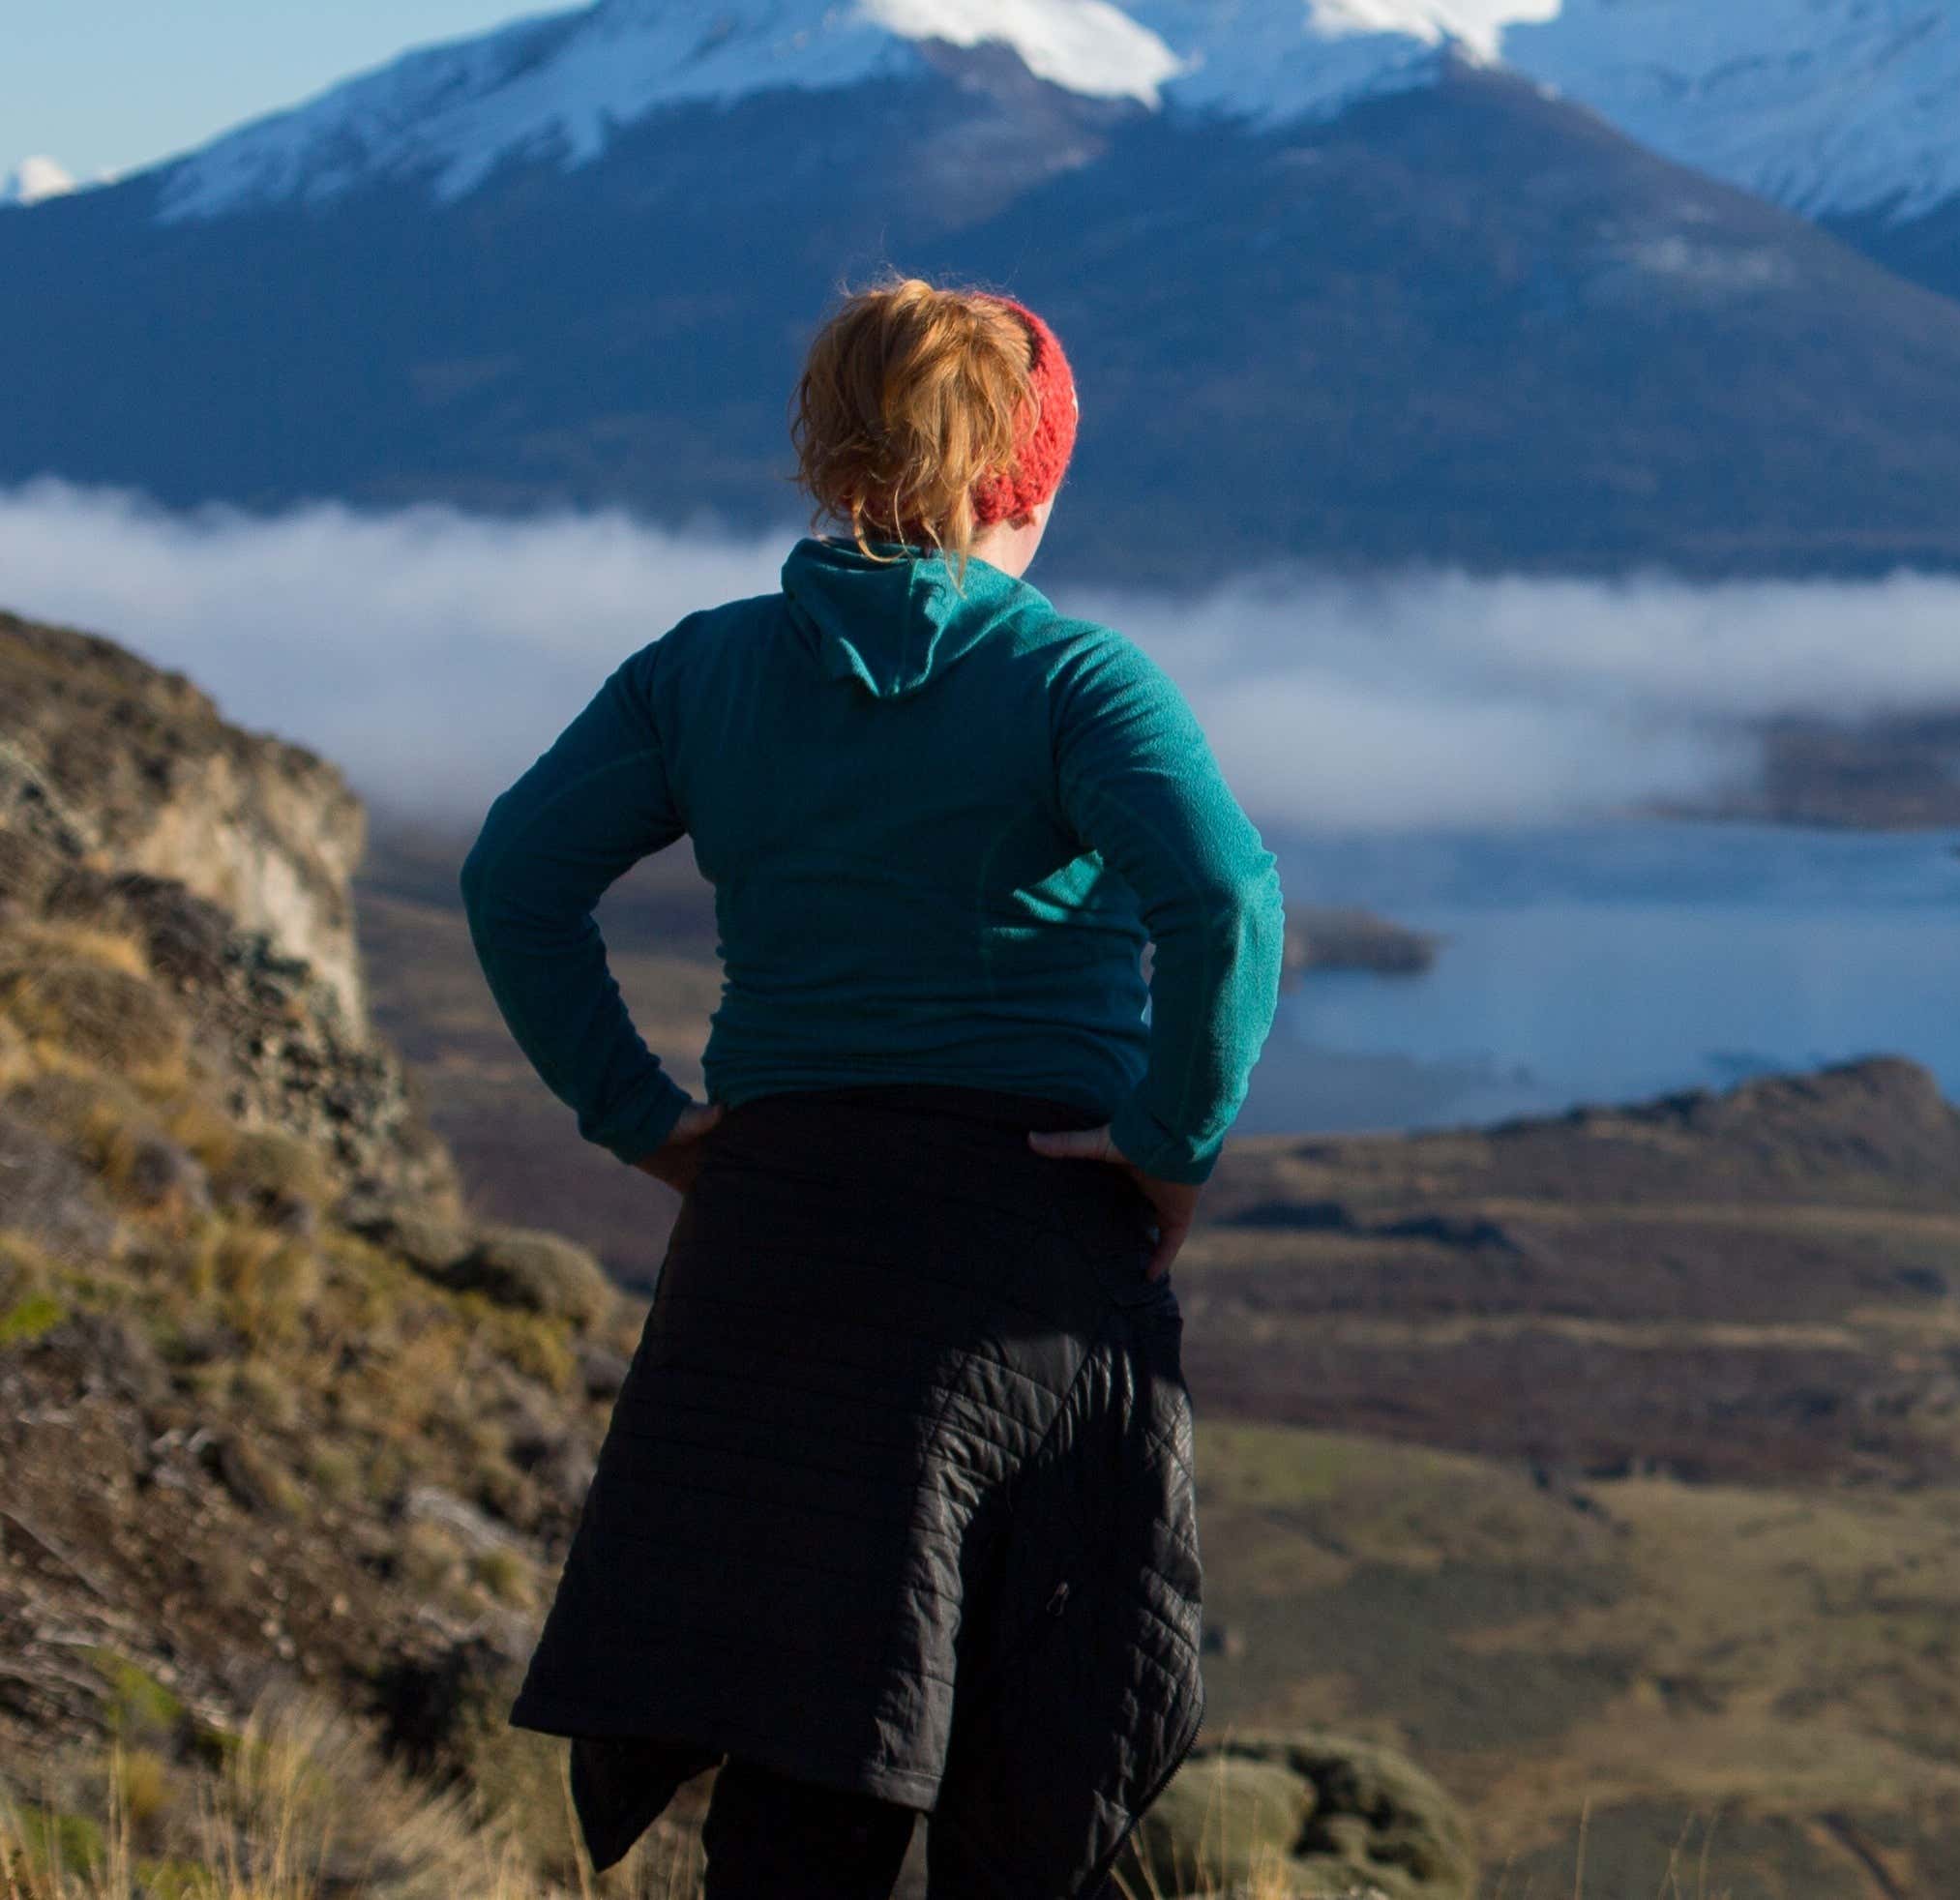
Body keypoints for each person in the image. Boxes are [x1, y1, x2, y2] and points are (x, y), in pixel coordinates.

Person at [467, 279, 1282, 1898]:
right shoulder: (1077, 682)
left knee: (797, 1785)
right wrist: (1169, 1146)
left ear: (826, 450)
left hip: (770, 1249)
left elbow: (513, 882)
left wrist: (645, 1118)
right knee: (1031, 1773)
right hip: (1031, 1250)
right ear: (1029, 477)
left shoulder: (702, 672)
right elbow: (1226, 903)